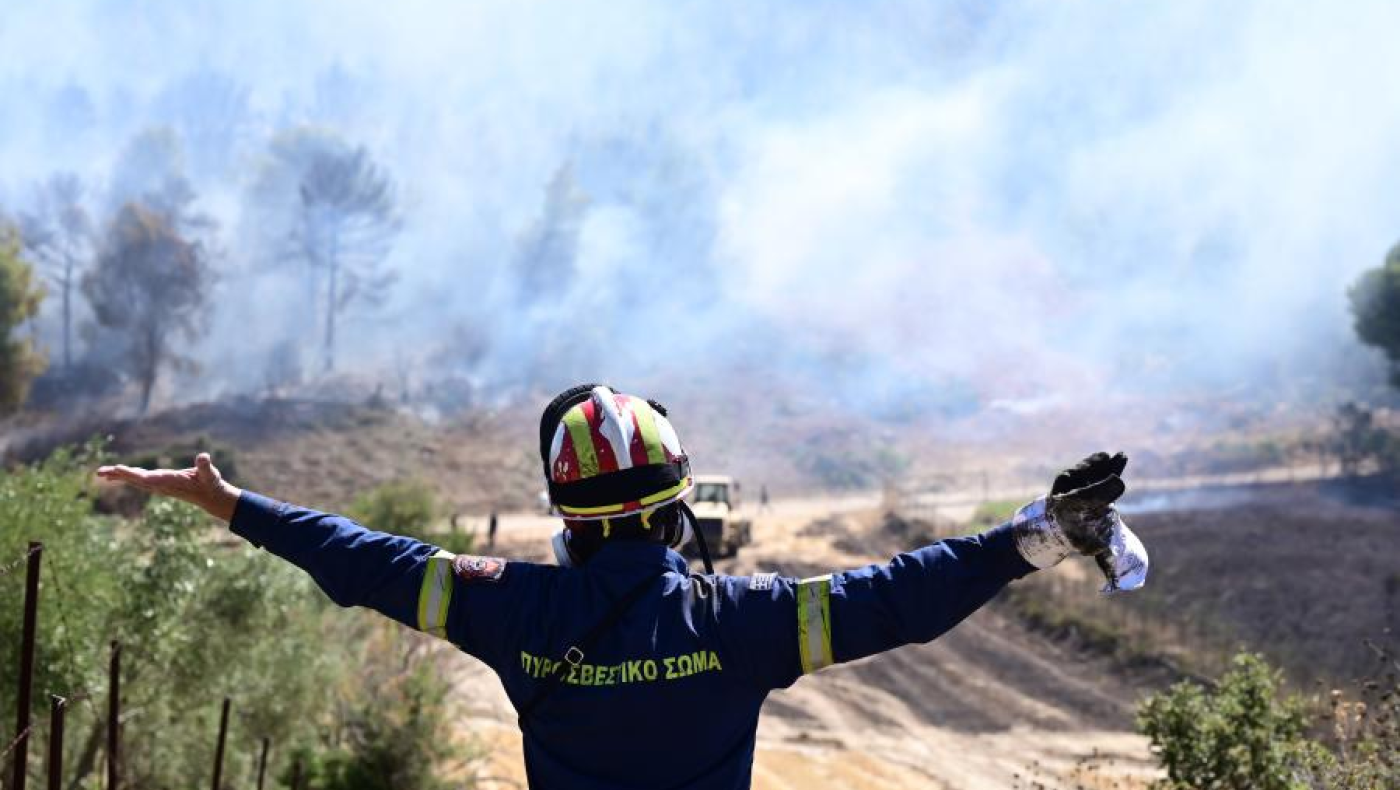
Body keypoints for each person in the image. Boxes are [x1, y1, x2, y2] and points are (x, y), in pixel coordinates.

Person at [96, 383, 1144, 790]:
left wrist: (231, 504)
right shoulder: (743, 622)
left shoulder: (507, 604)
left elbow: (365, 558)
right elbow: (900, 593)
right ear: (675, 510)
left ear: (567, 519)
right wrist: (1036, 537)